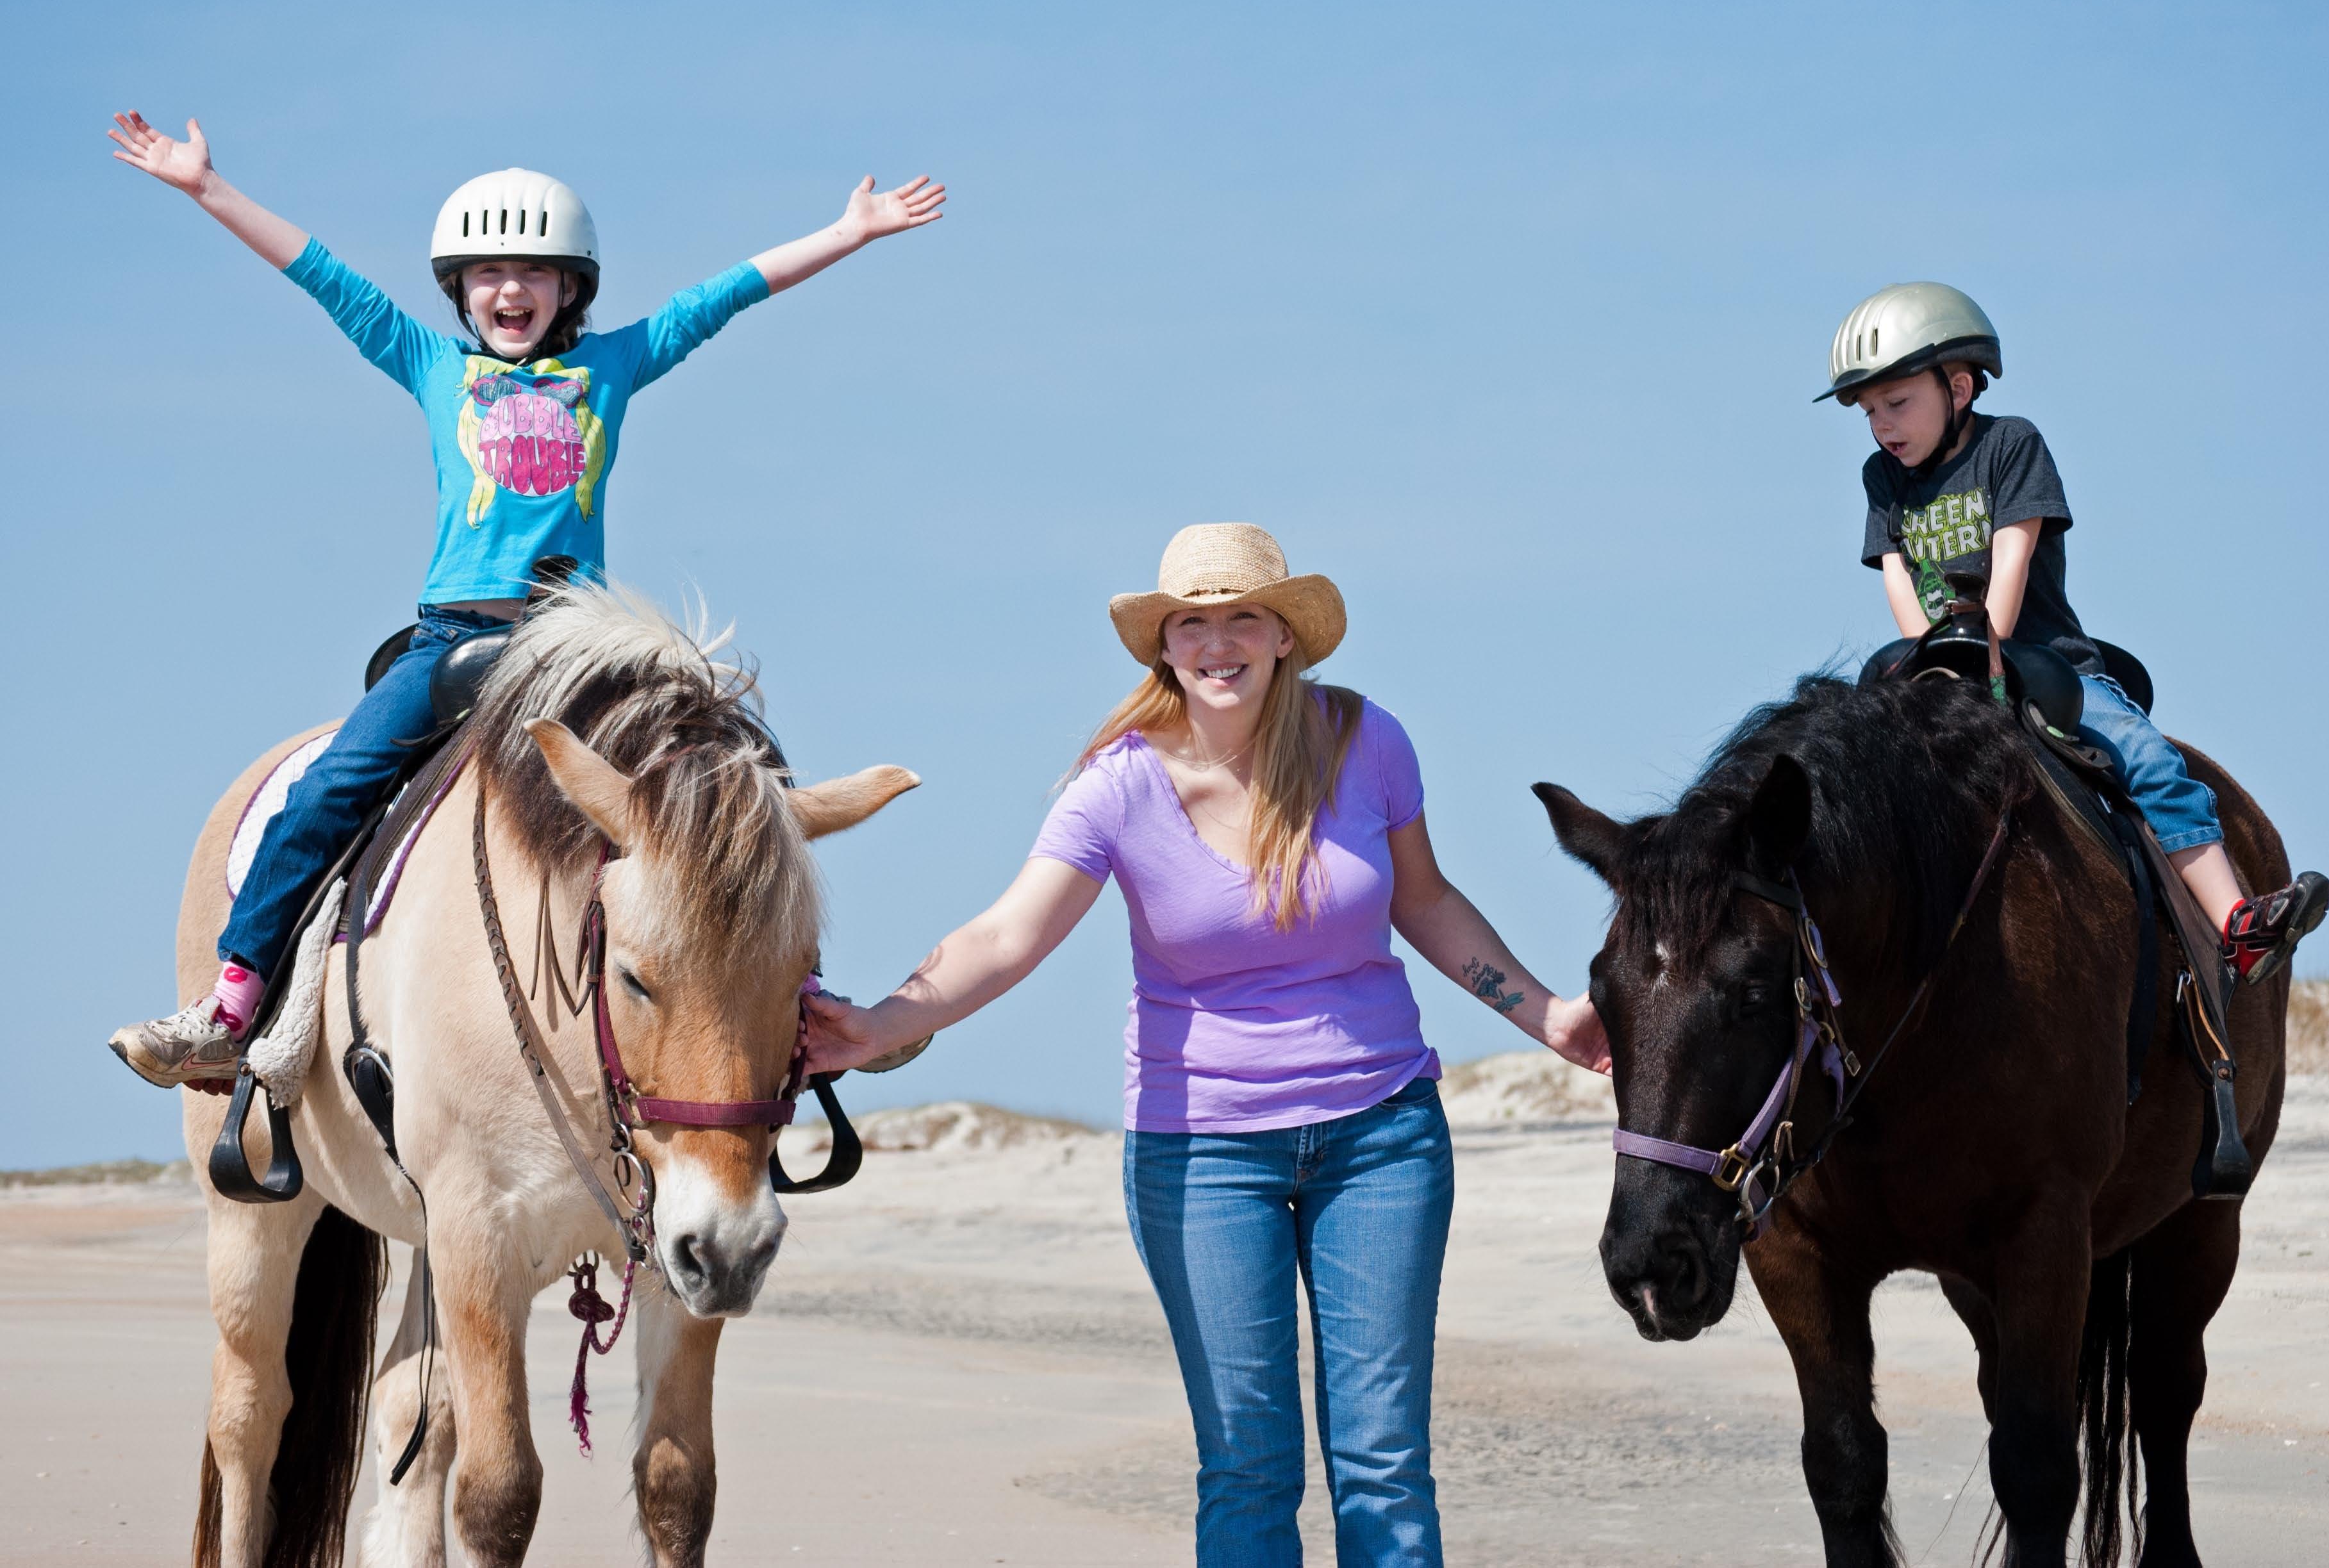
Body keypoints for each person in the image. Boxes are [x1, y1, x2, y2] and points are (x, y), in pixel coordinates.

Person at [801, 522, 1609, 1567]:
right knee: (1246, 1466)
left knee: (1384, 1464)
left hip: (1382, 1138)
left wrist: (1544, 1013)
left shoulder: (1366, 740)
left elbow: (1424, 899)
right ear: (1164, 644)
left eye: (1242, 618)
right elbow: (1006, 936)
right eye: (1191, 622)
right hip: (1202, 1154)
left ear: (1284, 636)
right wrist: (878, 1024)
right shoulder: (1117, 786)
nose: (1216, 642)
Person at [103, 111, 945, 1088]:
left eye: (535, 272)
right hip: (452, 638)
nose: (511, 290)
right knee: (329, 787)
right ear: (461, 291)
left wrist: (847, 231)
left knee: (735, 773)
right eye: (489, 273)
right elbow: (325, 277)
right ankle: (231, 1000)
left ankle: (802, 994)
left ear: (570, 288)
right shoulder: (432, 365)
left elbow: (723, 296)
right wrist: (207, 187)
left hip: (575, 646)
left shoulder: (609, 367)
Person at [1818, 281, 2328, 984]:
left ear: (1958, 388)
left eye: (1897, 403)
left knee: (2147, 758)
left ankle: (2236, 924)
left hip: (2045, 666)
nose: (1882, 425)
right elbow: (1897, 577)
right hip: (1940, 676)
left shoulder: (2010, 445)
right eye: (1869, 411)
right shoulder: (1882, 477)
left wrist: (1982, 651)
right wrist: (1930, 668)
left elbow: (2013, 559)